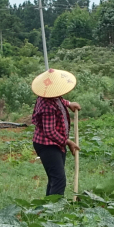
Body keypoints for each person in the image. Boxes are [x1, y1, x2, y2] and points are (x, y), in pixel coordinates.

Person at [31, 68, 81, 196]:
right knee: (59, 180)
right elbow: (50, 131)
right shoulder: (47, 104)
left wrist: (69, 103)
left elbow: (59, 101)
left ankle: (48, 209)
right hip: (47, 145)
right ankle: (54, 211)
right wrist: (68, 142)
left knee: (54, 178)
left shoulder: (53, 96)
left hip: (56, 143)